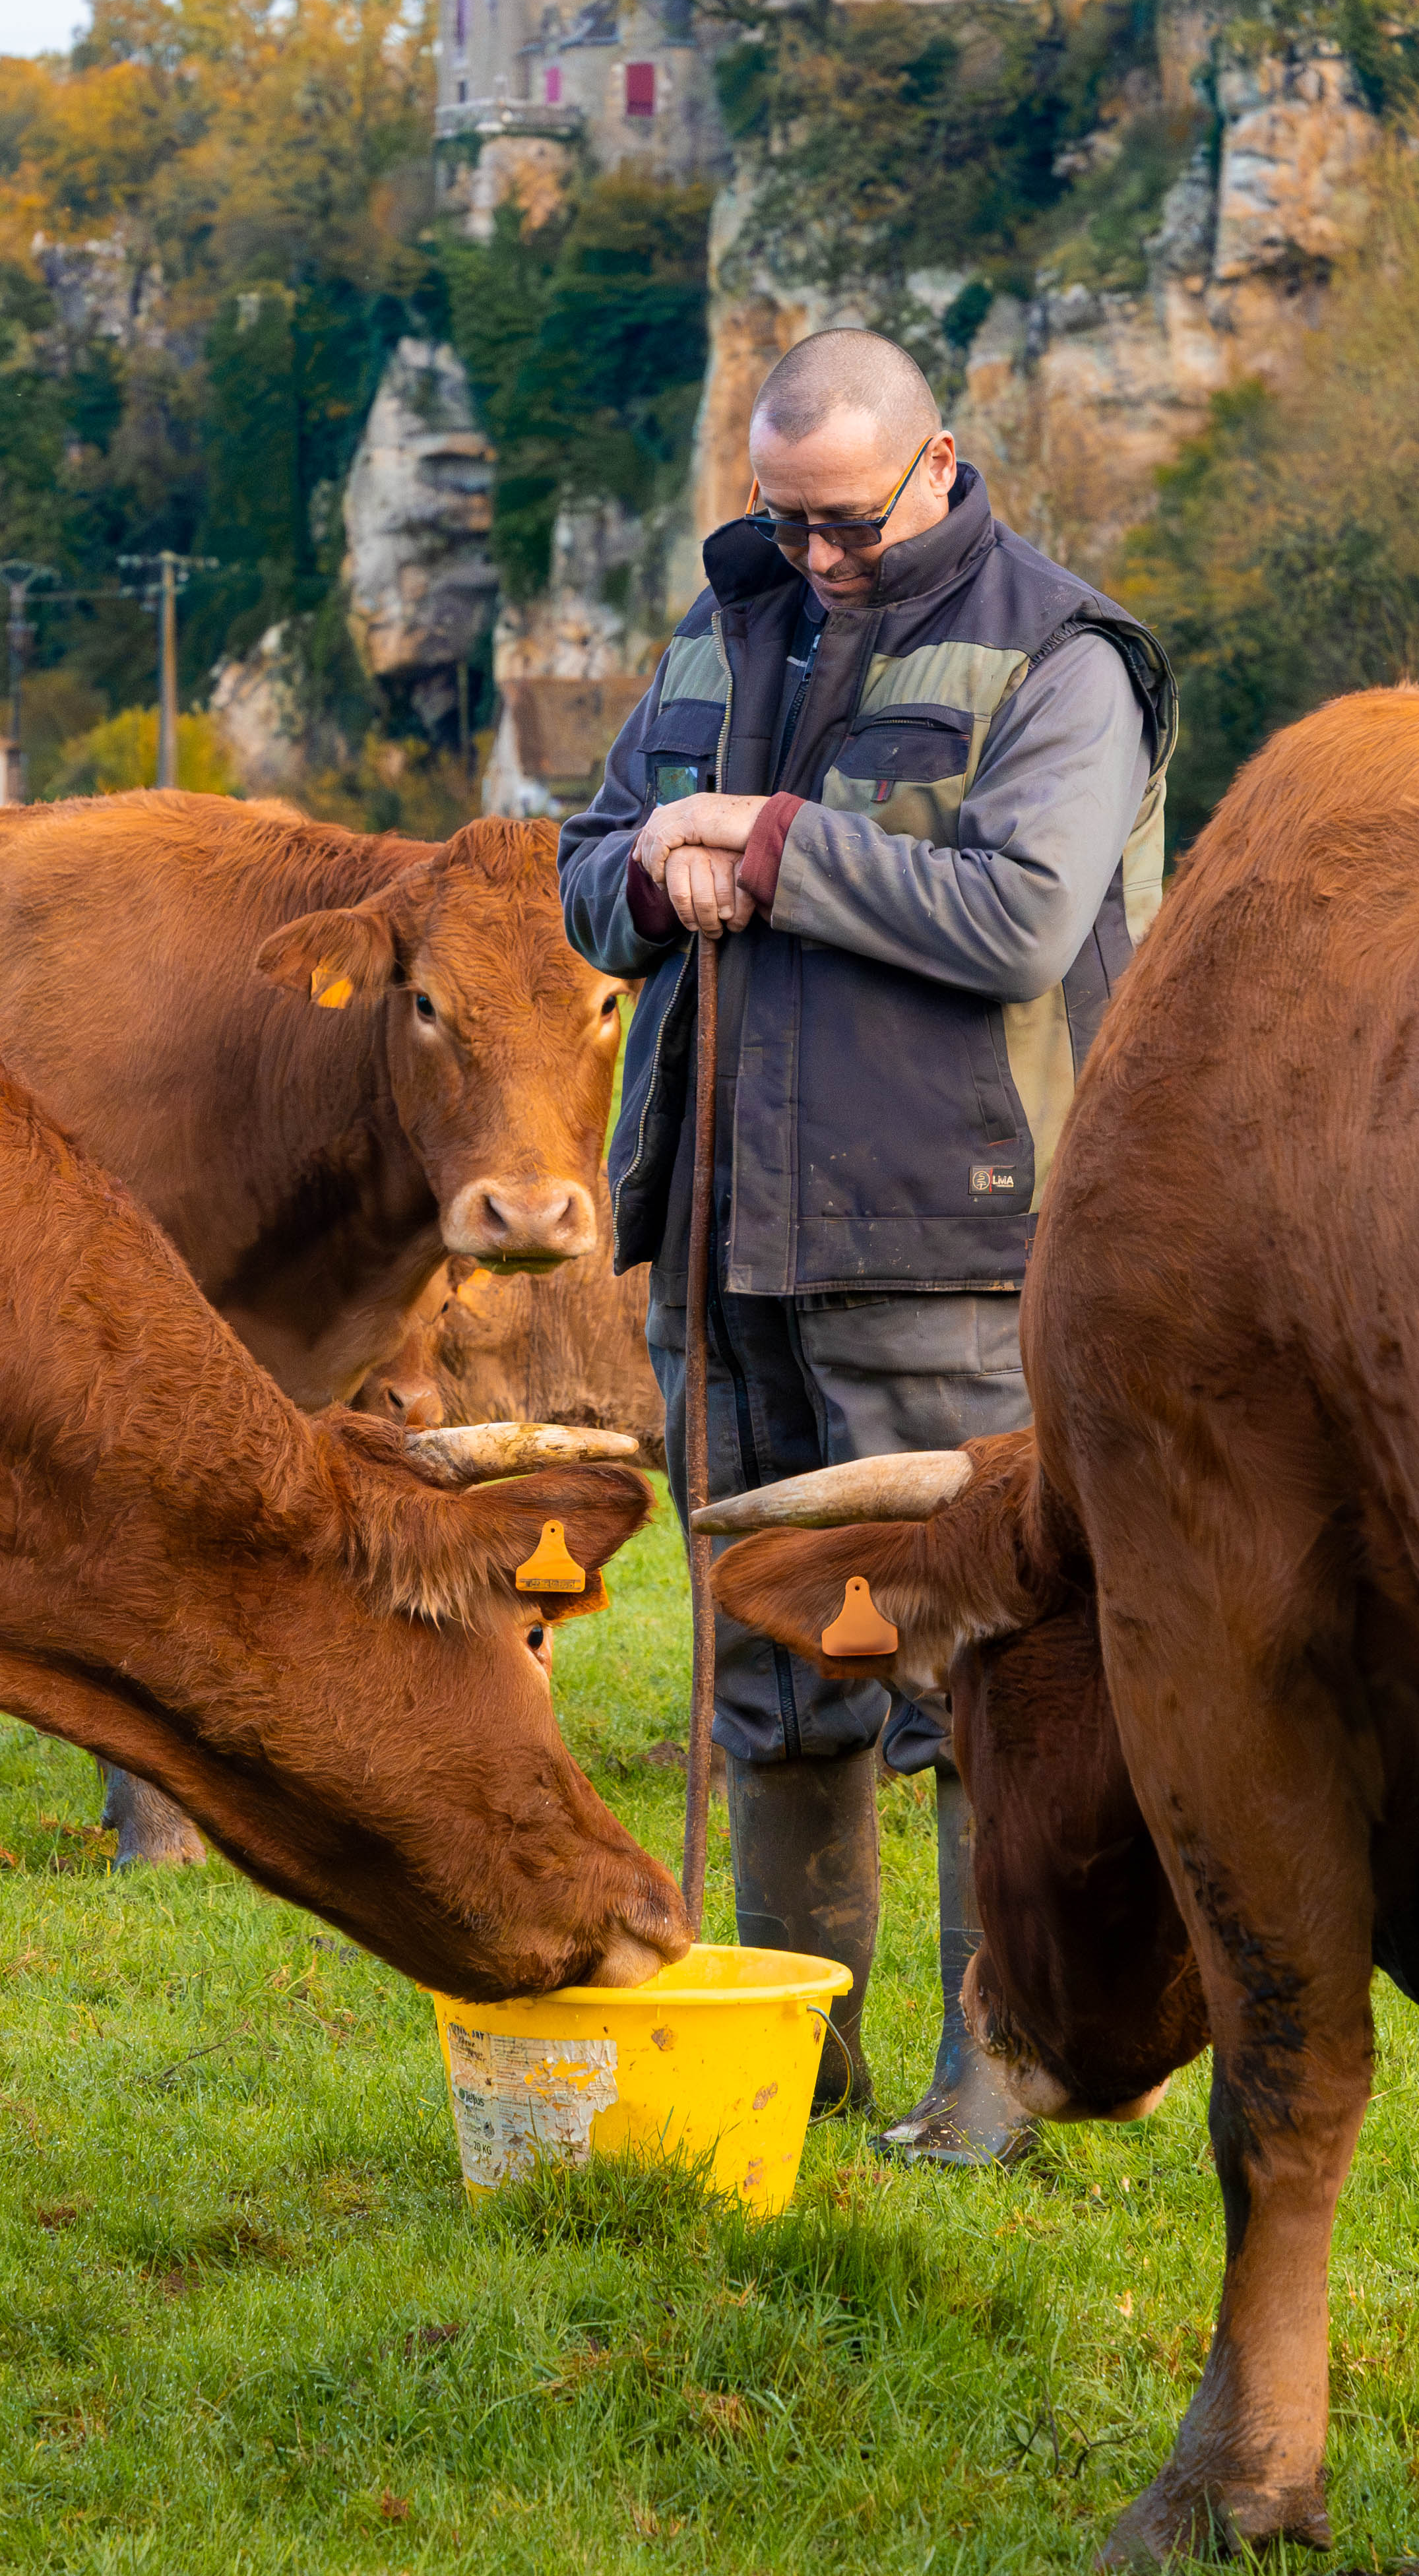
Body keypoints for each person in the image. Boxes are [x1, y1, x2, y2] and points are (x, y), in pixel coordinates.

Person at [556, 326, 1168, 2165]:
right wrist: (649, 874)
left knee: (983, 1676)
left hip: (957, 1249)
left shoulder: (1064, 655)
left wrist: (771, 839)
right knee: (768, 1670)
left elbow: (1019, 915)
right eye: (780, 517)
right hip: (727, 1243)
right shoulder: (715, 624)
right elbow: (588, 858)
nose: (813, 556)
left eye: (842, 521)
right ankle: (795, 2057)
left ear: (940, 463)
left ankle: (998, 2077)